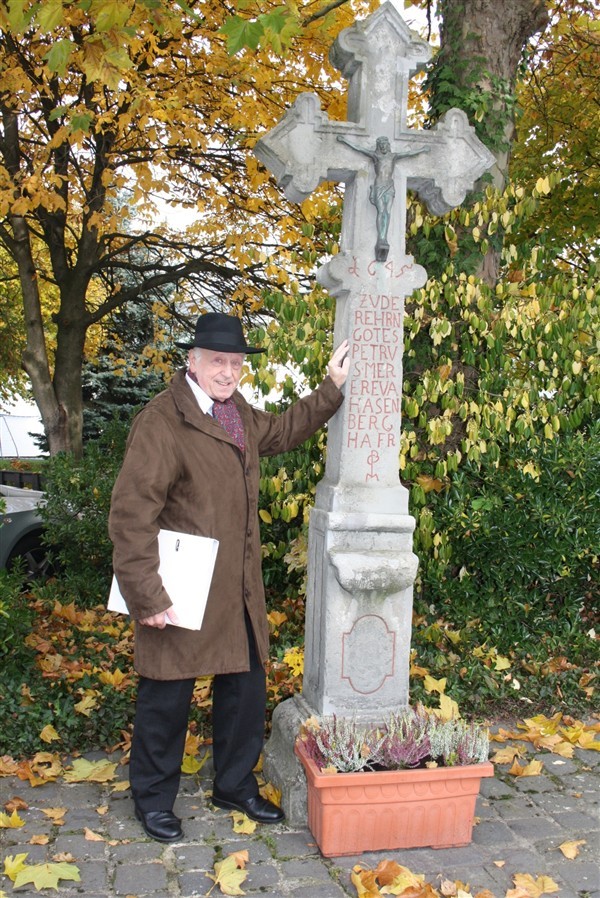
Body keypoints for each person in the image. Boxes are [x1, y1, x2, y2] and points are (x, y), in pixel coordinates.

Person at [108, 312, 349, 843]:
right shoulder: (162, 421)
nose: (228, 371)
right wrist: (146, 594)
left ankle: (235, 785)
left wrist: (331, 389)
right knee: (166, 699)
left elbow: (285, 429)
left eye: (236, 362)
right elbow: (130, 516)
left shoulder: (235, 412)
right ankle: (151, 798)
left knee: (244, 689)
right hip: (181, 589)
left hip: (236, 586)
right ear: (191, 361)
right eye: (218, 360)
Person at [337, 134, 429, 260]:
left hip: (389, 186)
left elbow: (409, 154)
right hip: (379, 186)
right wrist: (345, 141)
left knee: (387, 212)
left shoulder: (393, 156)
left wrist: (422, 149)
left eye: (385, 145)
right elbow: (359, 149)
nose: (384, 147)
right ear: (379, 147)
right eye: (382, 145)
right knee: (381, 211)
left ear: (388, 146)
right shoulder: (376, 156)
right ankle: (381, 238)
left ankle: (384, 237)